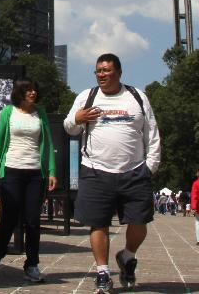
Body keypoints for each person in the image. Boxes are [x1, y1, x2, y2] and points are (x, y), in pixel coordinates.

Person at [64, 53, 161, 293]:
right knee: (98, 224)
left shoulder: (137, 97)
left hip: (134, 171)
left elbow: (152, 133)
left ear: (118, 72)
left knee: (140, 221)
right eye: (98, 71)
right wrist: (78, 117)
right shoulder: (87, 97)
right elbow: (69, 127)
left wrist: (150, 166)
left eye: (106, 70)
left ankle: (127, 256)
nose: (101, 75)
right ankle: (103, 272)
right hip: (96, 171)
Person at [0, 78, 57, 284]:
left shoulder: (41, 113)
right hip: (12, 171)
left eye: (35, 89)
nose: (32, 93)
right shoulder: (8, 112)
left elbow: (48, 141)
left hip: (35, 172)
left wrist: (51, 170)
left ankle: (32, 264)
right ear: (19, 93)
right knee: (9, 219)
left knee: (33, 221)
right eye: (28, 90)